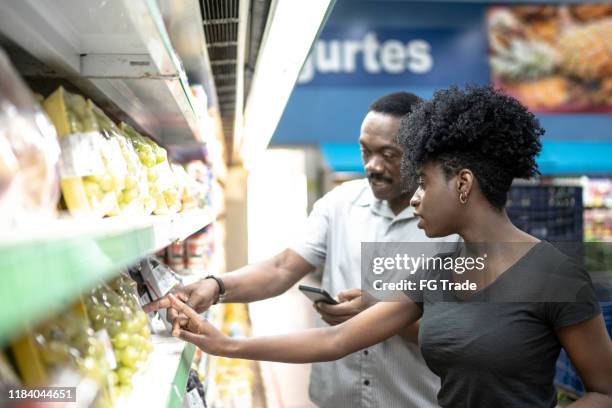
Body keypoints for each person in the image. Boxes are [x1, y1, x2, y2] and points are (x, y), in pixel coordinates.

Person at [147, 86, 612, 407]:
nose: (415, 196)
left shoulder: (553, 274)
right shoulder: (443, 270)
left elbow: (603, 390)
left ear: (464, 184)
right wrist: (227, 344)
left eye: (425, 184)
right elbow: (336, 340)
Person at [146, 92, 456, 407]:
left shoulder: (452, 227)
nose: (373, 165)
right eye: (365, 150)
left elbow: (458, 339)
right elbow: (282, 268)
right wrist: (216, 286)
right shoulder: (340, 204)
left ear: (420, 152)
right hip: (336, 399)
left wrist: (377, 310)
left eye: (389, 154)